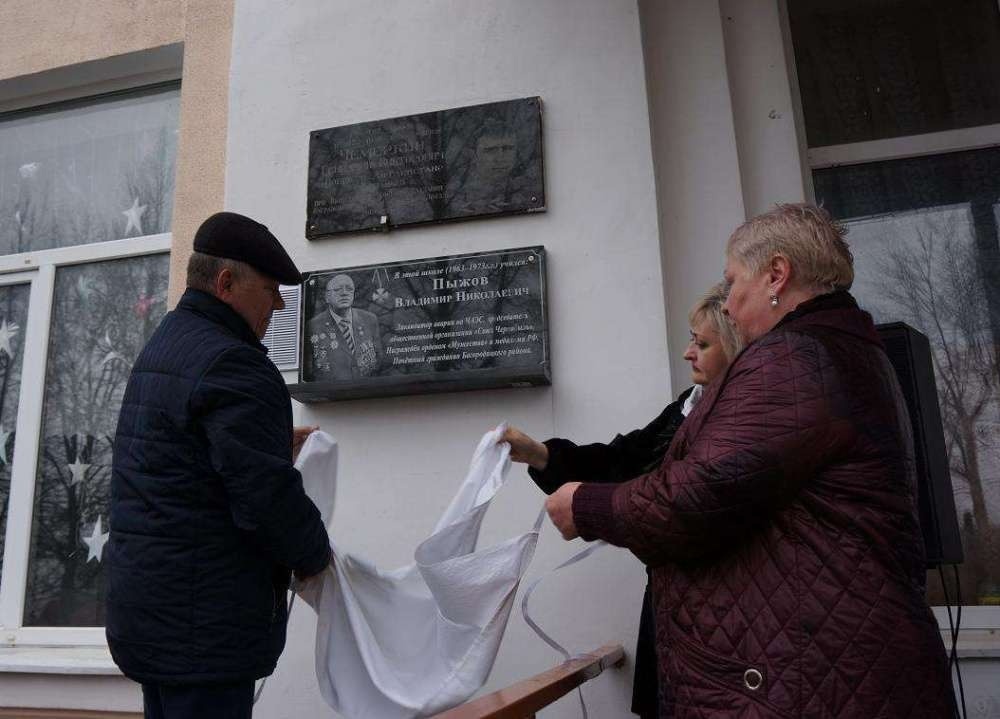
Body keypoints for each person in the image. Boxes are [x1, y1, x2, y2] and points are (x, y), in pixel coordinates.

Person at [545, 203, 955, 717]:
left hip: (808, 680)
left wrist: (586, 507)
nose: (731, 306)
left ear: (776, 275)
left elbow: (701, 494)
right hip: (827, 667)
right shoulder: (843, 349)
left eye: (733, 281)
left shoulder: (793, 358)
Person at [107, 212, 333, 719]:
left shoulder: (166, 346)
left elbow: (178, 460)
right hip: (204, 628)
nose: (277, 305)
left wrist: (270, 441)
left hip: (156, 617)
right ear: (227, 283)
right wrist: (317, 556)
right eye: (271, 290)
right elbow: (264, 497)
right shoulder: (235, 362)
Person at [501, 282, 740, 719]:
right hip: (675, 616)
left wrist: (588, 508)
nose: (689, 353)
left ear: (739, 348)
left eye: (702, 343)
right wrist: (542, 455)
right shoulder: (687, 407)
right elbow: (621, 460)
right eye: (690, 339)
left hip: (723, 628)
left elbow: (682, 506)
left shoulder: (739, 421)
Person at [304, 273, 382, 381]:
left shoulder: (370, 320)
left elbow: (380, 361)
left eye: (349, 289)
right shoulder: (313, 326)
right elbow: (310, 371)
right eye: (337, 289)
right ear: (327, 297)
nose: (344, 293)